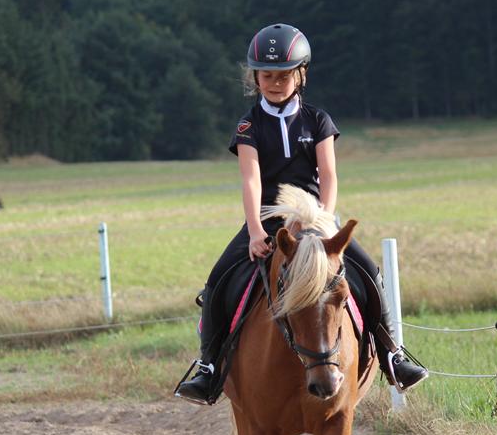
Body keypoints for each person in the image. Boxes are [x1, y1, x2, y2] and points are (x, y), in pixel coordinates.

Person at [175, 23, 428, 404]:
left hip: (316, 218)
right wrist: (257, 231)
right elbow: (251, 181)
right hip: (270, 221)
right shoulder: (248, 125)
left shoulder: (318, 120)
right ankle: (209, 367)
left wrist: (325, 221)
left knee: (369, 273)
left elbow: (328, 174)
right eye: (267, 75)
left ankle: (392, 354)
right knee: (218, 279)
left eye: (284, 75)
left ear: (301, 74)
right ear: (255, 77)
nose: (275, 82)